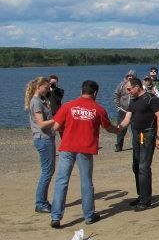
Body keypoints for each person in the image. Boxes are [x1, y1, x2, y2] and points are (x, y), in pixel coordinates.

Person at [50, 80, 120, 228]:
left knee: (61, 181)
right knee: (86, 182)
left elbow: (55, 127)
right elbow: (108, 127)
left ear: (81, 91)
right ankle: (88, 215)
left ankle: (56, 216)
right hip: (85, 149)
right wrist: (118, 129)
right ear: (95, 93)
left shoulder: (67, 106)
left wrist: (68, 128)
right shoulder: (98, 109)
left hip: (67, 147)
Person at [118, 77, 159, 212]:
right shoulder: (133, 101)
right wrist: (117, 128)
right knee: (136, 166)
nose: (128, 92)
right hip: (137, 135)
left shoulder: (152, 99)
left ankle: (146, 201)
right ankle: (141, 195)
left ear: (137, 86)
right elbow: (127, 118)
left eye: (129, 89)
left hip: (148, 134)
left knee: (144, 167)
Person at [25, 77, 56, 213]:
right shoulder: (36, 102)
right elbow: (41, 124)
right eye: (46, 86)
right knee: (47, 171)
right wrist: (57, 118)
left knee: (48, 171)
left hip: (46, 138)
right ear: (39, 87)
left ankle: (43, 201)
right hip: (43, 139)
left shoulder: (42, 100)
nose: (48, 88)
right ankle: (40, 202)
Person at [113, 69, 136, 152]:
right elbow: (116, 95)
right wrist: (118, 107)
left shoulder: (137, 86)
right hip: (123, 110)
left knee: (135, 129)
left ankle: (136, 145)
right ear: (126, 76)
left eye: (132, 76)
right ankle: (118, 146)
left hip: (134, 111)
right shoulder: (121, 85)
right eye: (129, 76)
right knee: (121, 128)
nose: (130, 77)